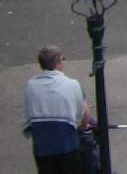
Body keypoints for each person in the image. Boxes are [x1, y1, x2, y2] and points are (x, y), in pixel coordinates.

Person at [23, 46, 92, 174]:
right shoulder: (72, 84)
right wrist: (82, 127)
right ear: (58, 63)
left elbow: (30, 116)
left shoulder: (31, 85)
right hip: (67, 145)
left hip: (42, 147)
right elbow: (86, 114)